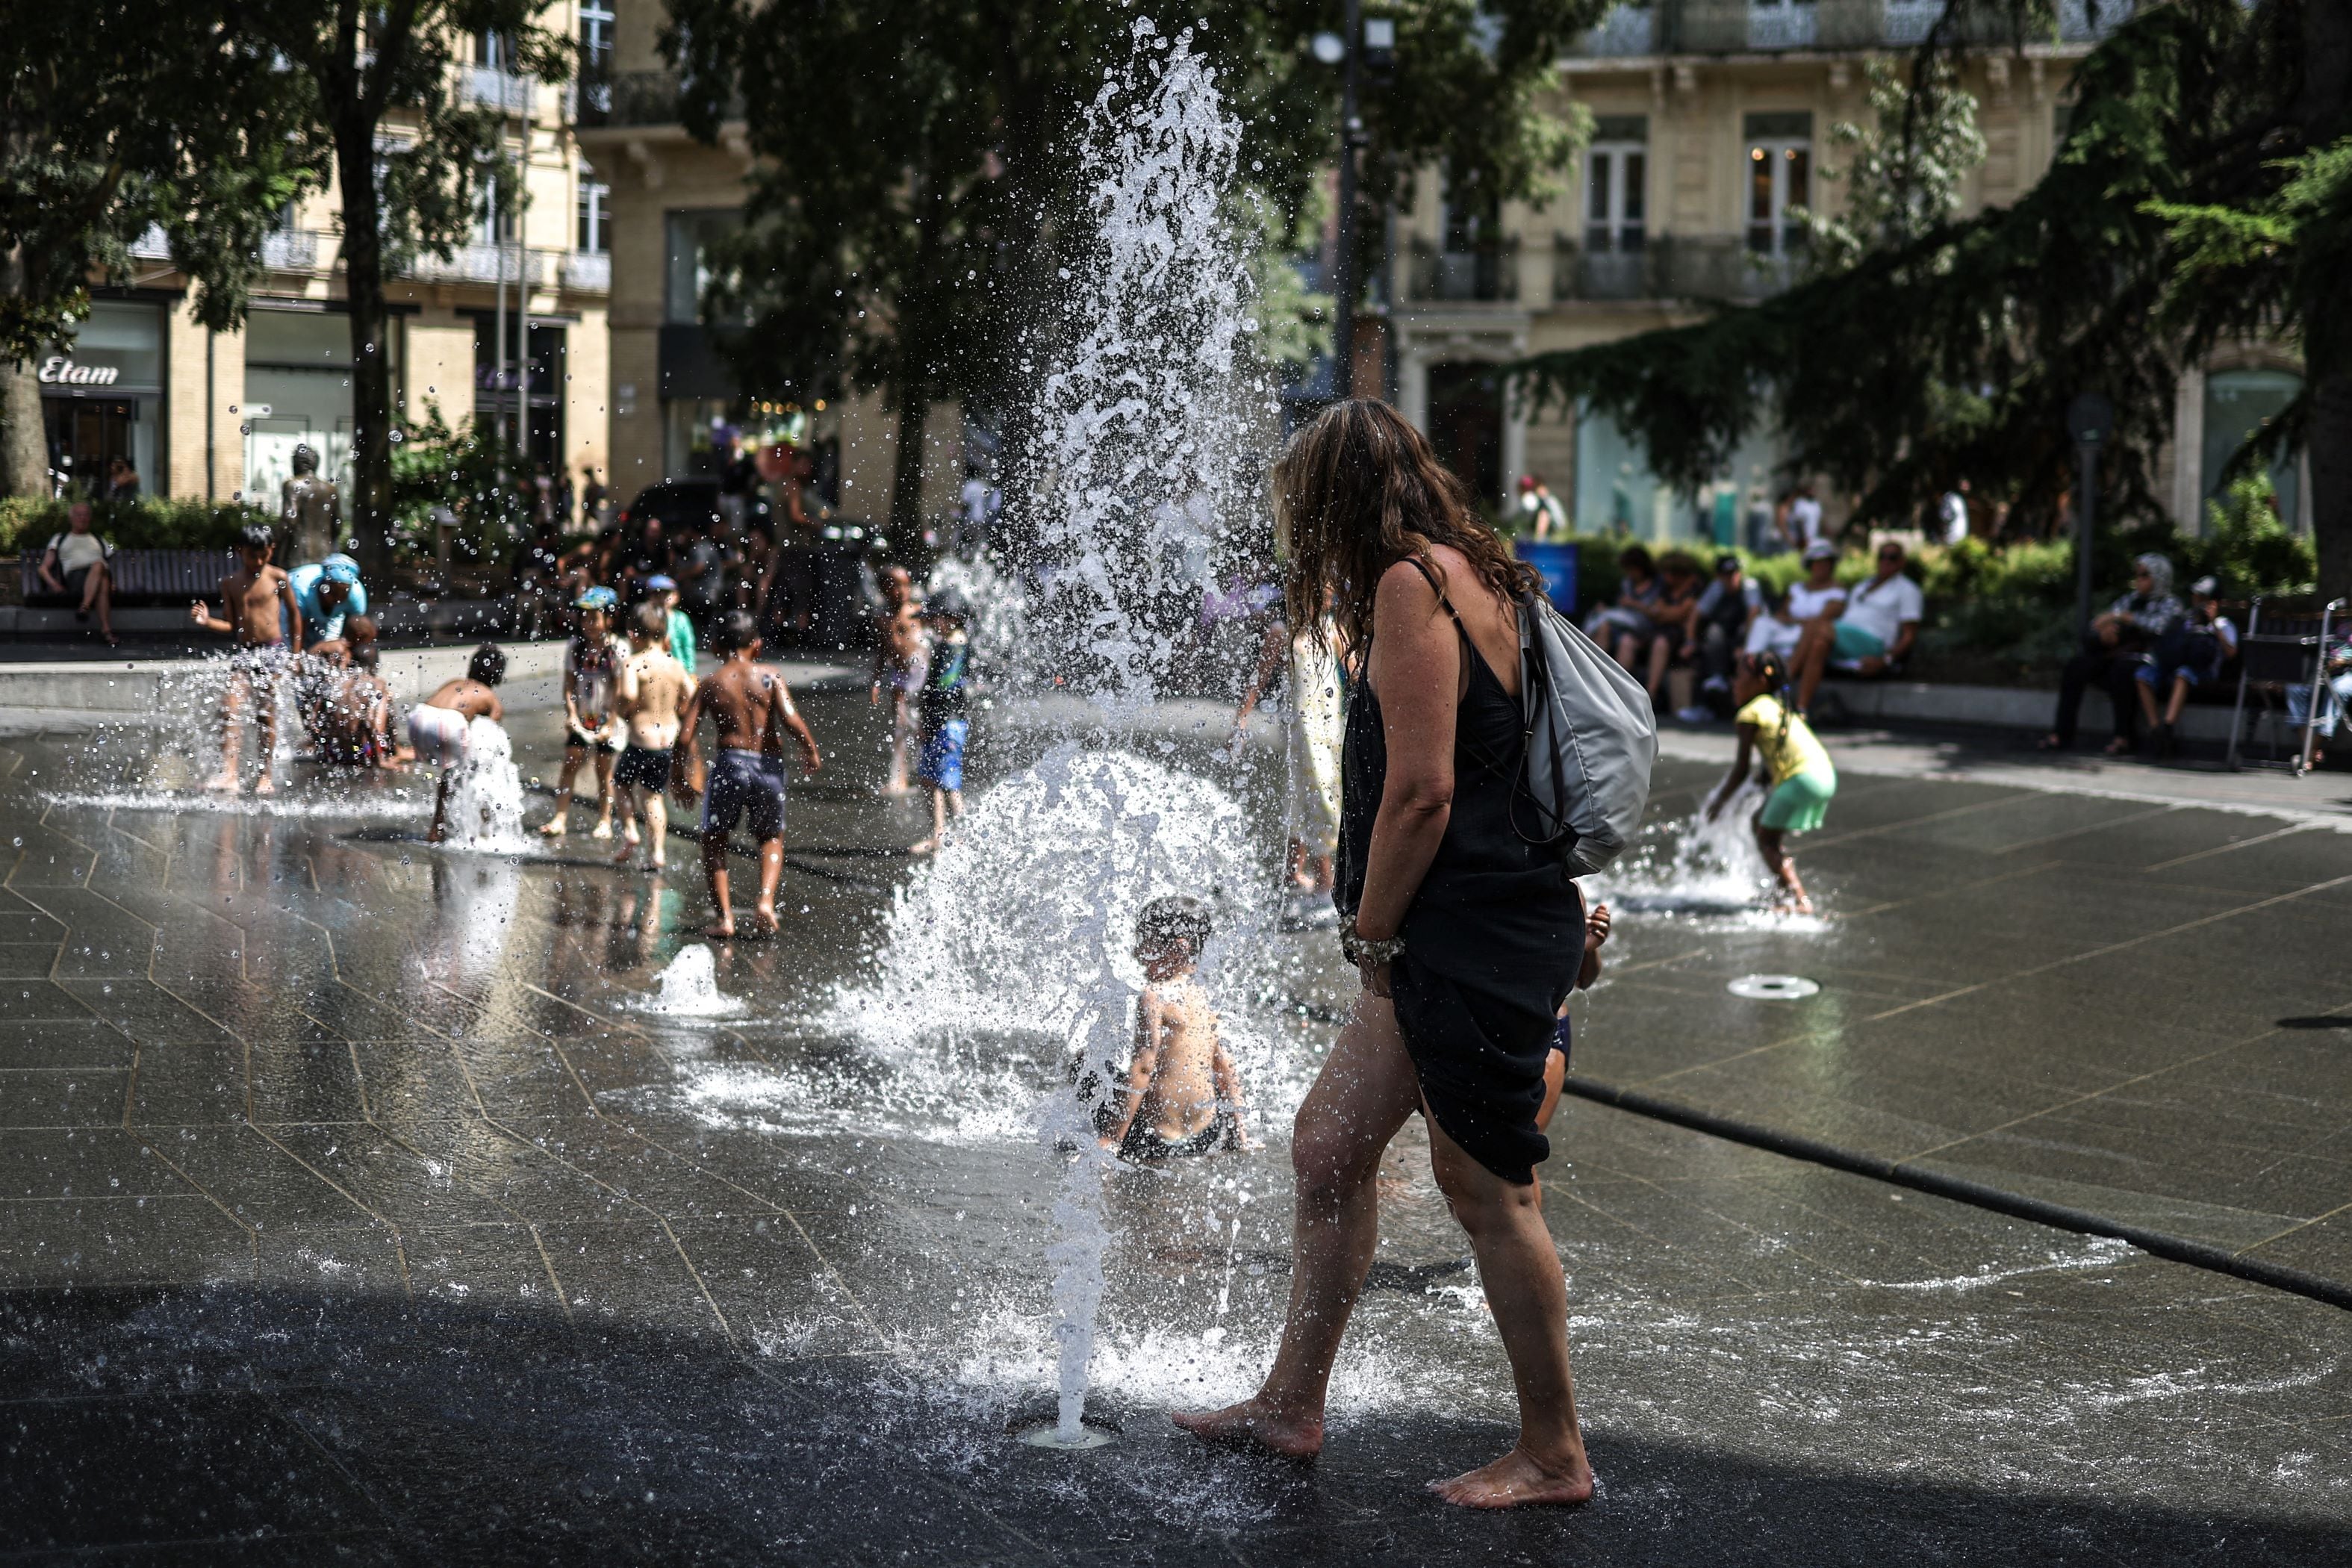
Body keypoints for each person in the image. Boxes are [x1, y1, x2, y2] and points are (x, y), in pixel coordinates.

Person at [1173, 400, 1595, 1509]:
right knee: (1326, 1148)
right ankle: (1289, 1403)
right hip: (1462, 931)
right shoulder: (1474, 575)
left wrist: (1372, 935)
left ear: (1328, 502)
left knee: (1485, 1186)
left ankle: (1555, 1452)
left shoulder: (1414, 589)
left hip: (1461, 934)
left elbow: (1422, 790)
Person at [676, 609, 824, 939]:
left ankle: (725, 919)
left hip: (730, 765)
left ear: (715, 646)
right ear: (756, 645)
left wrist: (677, 778)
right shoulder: (770, 676)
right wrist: (810, 748)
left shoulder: (712, 682)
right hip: (768, 766)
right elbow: (790, 717)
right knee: (770, 838)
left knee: (714, 841)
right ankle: (766, 902)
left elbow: (685, 736)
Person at [1093, 897, 1250, 1163]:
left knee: (1085, 1069)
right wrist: (1239, 1136)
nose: (1137, 953)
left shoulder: (1154, 997)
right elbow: (1224, 1068)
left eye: (1145, 942)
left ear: (1179, 948)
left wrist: (1111, 1141)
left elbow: (1143, 1067)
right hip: (1206, 1135)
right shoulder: (1204, 996)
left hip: (1156, 1140)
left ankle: (1107, 1136)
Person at [1706, 650, 1837, 915]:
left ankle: (1799, 900)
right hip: (1823, 774)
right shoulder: (1779, 708)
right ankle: (1782, 891)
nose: (1734, 682)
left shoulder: (1750, 713)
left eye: (1740, 676)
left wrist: (1719, 802)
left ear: (1760, 681)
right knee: (1762, 827)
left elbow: (1741, 769)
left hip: (1802, 779)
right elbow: (1772, 763)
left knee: (1767, 839)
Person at [190, 524, 302, 795]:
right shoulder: (230, 583)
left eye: (264, 555)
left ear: (271, 550)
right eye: (253, 556)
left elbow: (296, 616)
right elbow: (231, 625)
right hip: (246, 653)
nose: (259, 562)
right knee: (229, 707)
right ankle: (229, 774)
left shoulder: (278, 577)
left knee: (265, 714)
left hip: (273, 651)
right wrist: (207, 622)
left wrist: (296, 655)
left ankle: (265, 774)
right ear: (240, 552)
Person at [2041, 553, 2182, 756]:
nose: (2138, 580)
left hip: (2149, 661)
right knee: (2077, 666)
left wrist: (2124, 618)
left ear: (2159, 577)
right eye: (2137, 574)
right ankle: (2061, 734)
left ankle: (2123, 737)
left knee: (2122, 670)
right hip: (2115, 654)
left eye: (2145, 575)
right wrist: (2106, 634)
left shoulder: (2171, 603)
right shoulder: (2130, 600)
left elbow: (2158, 628)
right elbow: (2099, 622)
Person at [1788, 538, 1923, 714]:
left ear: (1902, 561)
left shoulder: (1908, 590)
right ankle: (1801, 709)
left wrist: (1885, 661)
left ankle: (1783, 682)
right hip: (1846, 639)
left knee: (1817, 625)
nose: (1886, 561)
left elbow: (1909, 636)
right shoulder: (1863, 586)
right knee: (1818, 645)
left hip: (1873, 643)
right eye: (1882, 556)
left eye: (1892, 557)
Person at [612, 600, 692, 870]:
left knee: (620, 784)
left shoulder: (633, 664)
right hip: (668, 740)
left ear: (634, 634)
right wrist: (678, 713)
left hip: (641, 739)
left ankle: (631, 832)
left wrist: (622, 711)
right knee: (654, 796)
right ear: (665, 634)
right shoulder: (675, 665)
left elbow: (628, 695)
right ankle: (657, 853)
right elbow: (692, 698)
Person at [541, 587, 628, 838]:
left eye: (595, 618)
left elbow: (619, 691)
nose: (589, 624)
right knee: (570, 763)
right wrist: (571, 714)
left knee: (604, 770)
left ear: (609, 619)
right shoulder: (576, 646)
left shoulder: (617, 648)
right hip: (583, 716)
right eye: (585, 618)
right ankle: (560, 817)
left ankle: (604, 819)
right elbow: (569, 685)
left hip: (606, 717)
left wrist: (611, 722)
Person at [409, 644, 507, 843]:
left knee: (453, 768)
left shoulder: (454, 682)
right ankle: (479, 829)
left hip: (418, 717)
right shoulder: (490, 697)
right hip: (448, 723)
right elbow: (493, 738)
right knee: (477, 770)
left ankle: (440, 827)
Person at [2138, 575, 2239, 759]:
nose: (2198, 602)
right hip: (2174, 666)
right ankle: (2155, 731)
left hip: (2204, 673)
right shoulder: (2186, 620)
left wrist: (2214, 624)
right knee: (2143, 674)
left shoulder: (2224, 624)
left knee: (2182, 675)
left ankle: (2167, 729)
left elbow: (2231, 653)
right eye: (2196, 597)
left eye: (2203, 598)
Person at [908, 588, 974, 856]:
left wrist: (931, 717)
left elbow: (944, 686)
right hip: (938, 722)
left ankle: (964, 836)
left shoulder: (955, 646)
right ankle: (939, 834)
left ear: (951, 617)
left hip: (949, 724)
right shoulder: (946, 644)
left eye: (936, 617)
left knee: (950, 783)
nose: (932, 622)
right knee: (932, 779)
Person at [870, 564, 927, 796]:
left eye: (907, 584)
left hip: (920, 675)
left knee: (921, 726)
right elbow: (882, 652)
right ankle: (899, 779)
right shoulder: (882, 618)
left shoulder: (917, 611)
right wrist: (875, 681)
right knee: (900, 727)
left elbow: (930, 641)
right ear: (884, 589)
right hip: (899, 677)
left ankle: (927, 771)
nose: (903, 590)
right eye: (897, 586)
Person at [1690, 553, 1764, 716]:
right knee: (1711, 635)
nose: (1730, 579)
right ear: (1719, 576)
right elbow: (1697, 613)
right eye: (1725, 575)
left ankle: (1745, 710)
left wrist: (1745, 645)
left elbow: (1754, 614)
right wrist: (1689, 641)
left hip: (1751, 637)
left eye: (1733, 573)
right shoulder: (1716, 588)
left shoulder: (1750, 587)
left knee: (1744, 659)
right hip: (1726, 637)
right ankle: (1707, 696)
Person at [37, 500, 117, 646]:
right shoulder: (60, 539)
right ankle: (104, 629)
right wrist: (54, 585)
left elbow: (111, 566)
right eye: (79, 515)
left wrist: (114, 582)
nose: (82, 518)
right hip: (76, 579)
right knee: (100, 569)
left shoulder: (99, 539)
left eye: (86, 515)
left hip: (99, 577)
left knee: (102, 576)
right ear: (71, 518)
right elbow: (43, 568)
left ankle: (92, 616)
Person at [285, 553, 367, 652]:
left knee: (329, 651)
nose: (338, 599)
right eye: (334, 593)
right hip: (290, 610)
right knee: (288, 648)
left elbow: (356, 629)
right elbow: (296, 622)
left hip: (332, 617)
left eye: (343, 595)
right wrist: (296, 655)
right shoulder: (302, 589)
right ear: (324, 584)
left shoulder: (357, 594)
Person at [1514, 474, 1567, 541]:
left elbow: (1544, 516)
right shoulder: (1548, 499)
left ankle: (1539, 542)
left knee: (1543, 513)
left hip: (1551, 534)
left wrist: (1539, 539)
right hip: (1556, 532)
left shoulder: (1531, 499)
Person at [1784, 479, 1824, 553]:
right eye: (1810, 490)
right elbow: (1799, 522)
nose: (1812, 492)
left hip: (1813, 539)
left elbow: (1819, 521)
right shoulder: (1800, 503)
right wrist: (1803, 539)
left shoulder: (1816, 504)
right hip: (1802, 539)